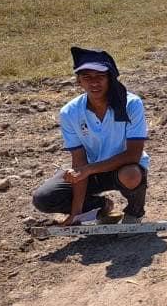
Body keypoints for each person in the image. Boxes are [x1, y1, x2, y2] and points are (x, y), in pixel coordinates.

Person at [32, 47, 149, 225]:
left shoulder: (131, 104)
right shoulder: (69, 112)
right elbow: (79, 161)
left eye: (100, 76)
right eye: (87, 77)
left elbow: (133, 154)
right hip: (93, 172)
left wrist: (87, 170)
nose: (94, 82)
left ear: (110, 78)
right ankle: (99, 207)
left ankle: (134, 212)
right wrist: (76, 212)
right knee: (44, 197)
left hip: (125, 166)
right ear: (79, 81)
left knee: (131, 175)